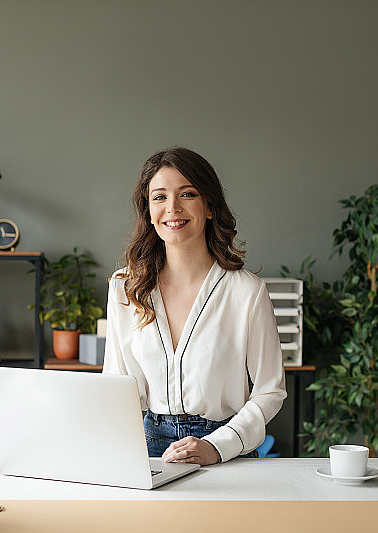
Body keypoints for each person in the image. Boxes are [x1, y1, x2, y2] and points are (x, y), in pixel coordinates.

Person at [103, 146, 287, 465]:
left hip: (227, 447)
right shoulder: (125, 286)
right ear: (148, 211)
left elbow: (270, 392)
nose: (172, 208)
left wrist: (218, 447)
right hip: (146, 447)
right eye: (159, 197)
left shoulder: (247, 292)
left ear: (210, 207)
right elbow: (116, 384)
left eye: (187, 194)